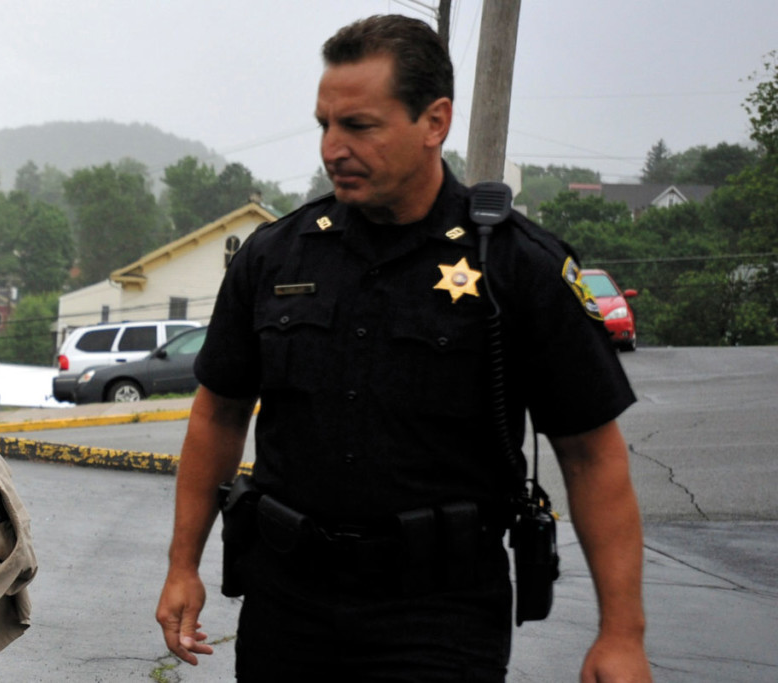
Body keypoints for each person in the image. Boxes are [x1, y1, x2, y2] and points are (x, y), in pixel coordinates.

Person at [153, 15, 651, 681]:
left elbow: (591, 454)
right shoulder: (277, 256)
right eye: (324, 124)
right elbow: (217, 413)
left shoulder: (516, 267)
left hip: (438, 613)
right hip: (288, 602)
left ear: (434, 122)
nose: (333, 148)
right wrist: (183, 565)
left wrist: (622, 631)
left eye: (359, 125)